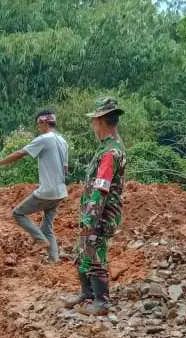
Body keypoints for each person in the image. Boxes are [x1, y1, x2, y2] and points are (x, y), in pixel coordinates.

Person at [67, 96, 127, 316]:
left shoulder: (110, 153)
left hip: (101, 213)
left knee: (93, 250)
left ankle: (101, 301)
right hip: (97, 211)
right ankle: (87, 293)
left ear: (101, 121)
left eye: (94, 121)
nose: (93, 126)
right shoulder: (109, 147)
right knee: (82, 249)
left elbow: (101, 188)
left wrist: (90, 218)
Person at [0, 109, 69, 262]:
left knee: (17, 213)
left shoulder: (45, 138)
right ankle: (54, 260)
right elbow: (66, 168)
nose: (38, 127)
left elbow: (20, 153)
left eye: (39, 124)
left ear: (43, 122)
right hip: (60, 192)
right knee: (46, 227)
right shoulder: (63, 142)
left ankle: (40, 240)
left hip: (47, 191)